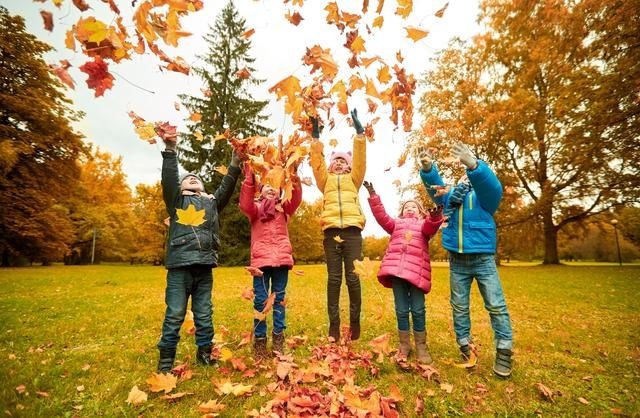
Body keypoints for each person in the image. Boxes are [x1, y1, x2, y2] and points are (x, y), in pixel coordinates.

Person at [419, 141, 514, 377]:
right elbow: (435, 189)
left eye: (470, 171)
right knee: (459, 306)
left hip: (483, 259)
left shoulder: (485, 197)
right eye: (465, 171)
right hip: (457, 260)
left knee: (496, 305)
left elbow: (492, 186)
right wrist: (429, 169)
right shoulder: (451, 196)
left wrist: (475, 165)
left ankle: (504, 351)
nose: (466, 176)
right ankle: (465, 345)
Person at [156, 137, 242, 373]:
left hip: (204, 267)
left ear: (203, 187)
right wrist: (171, 150)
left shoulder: (212, 203)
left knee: (204, 314)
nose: (192, 178)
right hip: (179, 267)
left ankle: (204, 353)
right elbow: (169, 178)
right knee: (175, 313)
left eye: (197, 178)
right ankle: (165, 362)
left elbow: (226, 187)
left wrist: (235, 163)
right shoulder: (176, 200)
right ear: (181, 187)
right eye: (187, 178)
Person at [364, 181, 443, 363]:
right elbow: (382, 216)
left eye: (414, 207)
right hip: (397, 273)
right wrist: (373, 195)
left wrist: (435, 216)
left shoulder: (423, 225)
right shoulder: (396, 225)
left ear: (421, 212)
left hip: (416, 275)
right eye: (407, 207)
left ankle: (421, 346)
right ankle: (404, 345)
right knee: (401, 310)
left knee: (418, 310)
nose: (410, 209)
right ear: (401, 212)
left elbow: (432, 226)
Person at [309, 109, 366, 341]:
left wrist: (359, 134)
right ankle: (334, 325)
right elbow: (317, 165)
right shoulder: (325, 181)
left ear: (349, 166)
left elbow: (361, 161)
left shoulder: (355, 180)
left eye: (344, 161)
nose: (340, 164)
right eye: (336, 161)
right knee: (334, 279)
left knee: (353, 278)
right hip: (331, 232)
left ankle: (354, 323)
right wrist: (315, 139)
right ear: (331, 166)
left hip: (352, 232)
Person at [239, 164, 302, 359]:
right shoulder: (255, 210)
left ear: (281, 190)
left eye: (274, 184)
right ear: (260, 190)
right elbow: (245, 203)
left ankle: (278, 339)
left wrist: (293, 175)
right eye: (266, 184)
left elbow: (296, 198)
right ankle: (259, 341)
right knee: (260, 299)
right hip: (261, 262)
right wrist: (250, 177)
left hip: (282, 260)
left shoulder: (284, 208)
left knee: (279, 299)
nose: (270, 187)